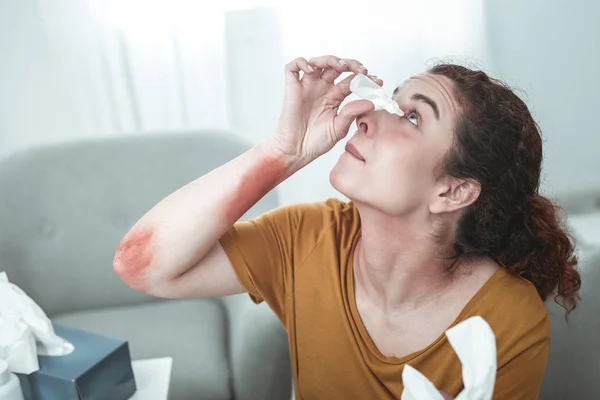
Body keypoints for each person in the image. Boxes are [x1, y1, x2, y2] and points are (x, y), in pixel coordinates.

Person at [113, 55, 581, 399]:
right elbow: (143, 266)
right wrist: (283, 152)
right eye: (390, 102)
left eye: (413, 117)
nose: (364, 115)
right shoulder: (307, 239)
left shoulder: (505, 322)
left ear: (453, 192)